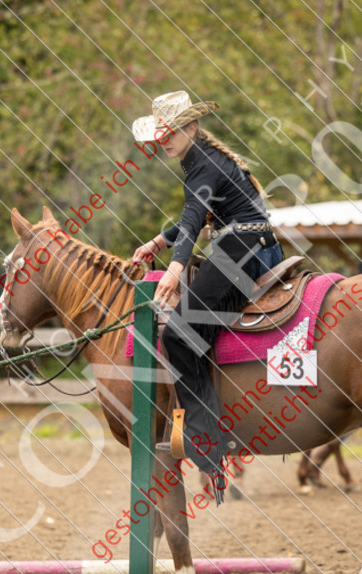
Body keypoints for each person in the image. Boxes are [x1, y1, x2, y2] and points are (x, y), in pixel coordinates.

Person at [130, 91, 283, 499]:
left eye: (172, 131)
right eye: (161, 133)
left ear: (192, 128)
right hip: (252, 246)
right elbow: (197, 217)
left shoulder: (202, 165)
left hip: (241, 252)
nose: (165, 139)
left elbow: (196, 218)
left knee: (177, 336)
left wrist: (175, 267)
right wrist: (159, 242)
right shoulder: (204, 162)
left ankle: (206, 445)